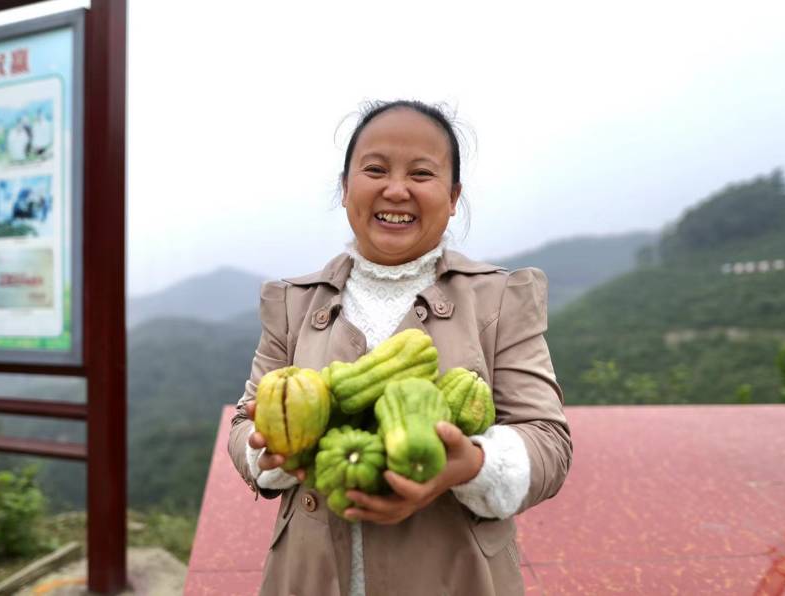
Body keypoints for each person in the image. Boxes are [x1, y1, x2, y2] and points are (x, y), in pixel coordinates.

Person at [228, 100, 572, 595]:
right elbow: (245, 422)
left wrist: (469, 465)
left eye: (421, 173)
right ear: (345, 187)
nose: (396, 189)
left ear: (453, 196)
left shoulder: (499, 298)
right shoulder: (292, 303)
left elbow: (549, 441)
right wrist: (272, 451)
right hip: (308, 576)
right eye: (374, 169)